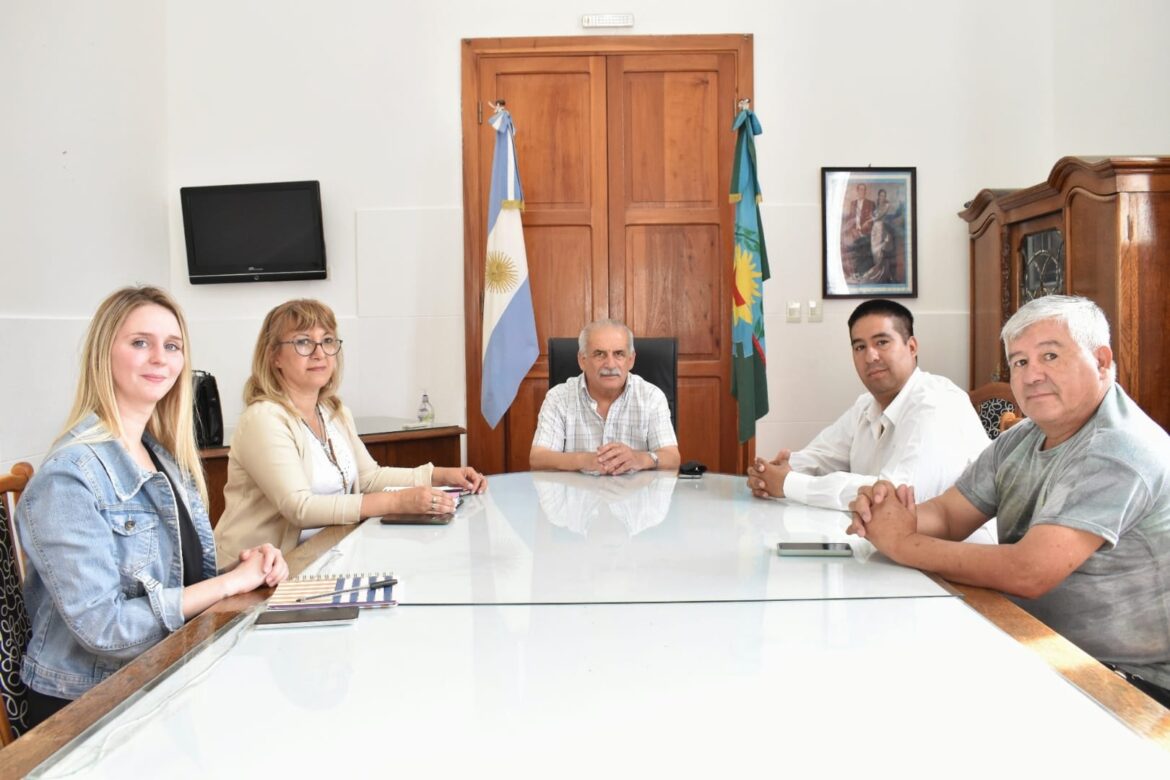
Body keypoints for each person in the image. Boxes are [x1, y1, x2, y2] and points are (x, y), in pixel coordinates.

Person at [849, 295, 1170, 707]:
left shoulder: (1119, 448)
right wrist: (888, 513)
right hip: (1038, 643)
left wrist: (904, 544)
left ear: (1102, 361)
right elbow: (949, 514)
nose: (1032, 375)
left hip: (1128, 683)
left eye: (1050, 356)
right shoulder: (1022, 437)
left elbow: (1029, 572)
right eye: (1019, 362)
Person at [19, 286, 289, 727]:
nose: (160, 358)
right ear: (104, 354)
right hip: (85, 708)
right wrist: (227, 586)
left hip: (161, 676)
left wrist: (246, 571)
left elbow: (176, 588)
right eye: (140, 342)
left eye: (172, 346)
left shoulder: (164, 458)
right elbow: (104, 629)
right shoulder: (69, 475)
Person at [214, 299, 487, 562]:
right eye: (303, 342)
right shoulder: (263, 419)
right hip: (256, 573)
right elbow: (300, 508)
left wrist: (439, 476)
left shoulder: (333, 411)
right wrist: (396, 502)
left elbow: (369, 478)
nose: (319, 352)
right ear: (274, 356)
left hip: (326, 553)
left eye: (328, 340)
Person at [746, 299, 995, 543]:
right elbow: (821, 455)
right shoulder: (866, 405)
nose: (870, 356)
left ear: (912, 347)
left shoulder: (938, 403)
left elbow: (891, 498)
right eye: (859, 347)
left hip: (959, 564)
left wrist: (790, 483)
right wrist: (772, 472)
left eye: (882, 342)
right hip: (893, 550)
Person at [530, 319, 681, 475]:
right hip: (575, 496)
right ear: (582, 361)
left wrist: (639, 459)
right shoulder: (558, 398)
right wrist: (584, 460)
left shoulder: (652, 397)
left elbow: (672, 458)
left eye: (619, 354)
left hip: (637, 496)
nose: (610, 364)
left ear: (631, 360)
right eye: (599, 354)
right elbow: (538, 459)